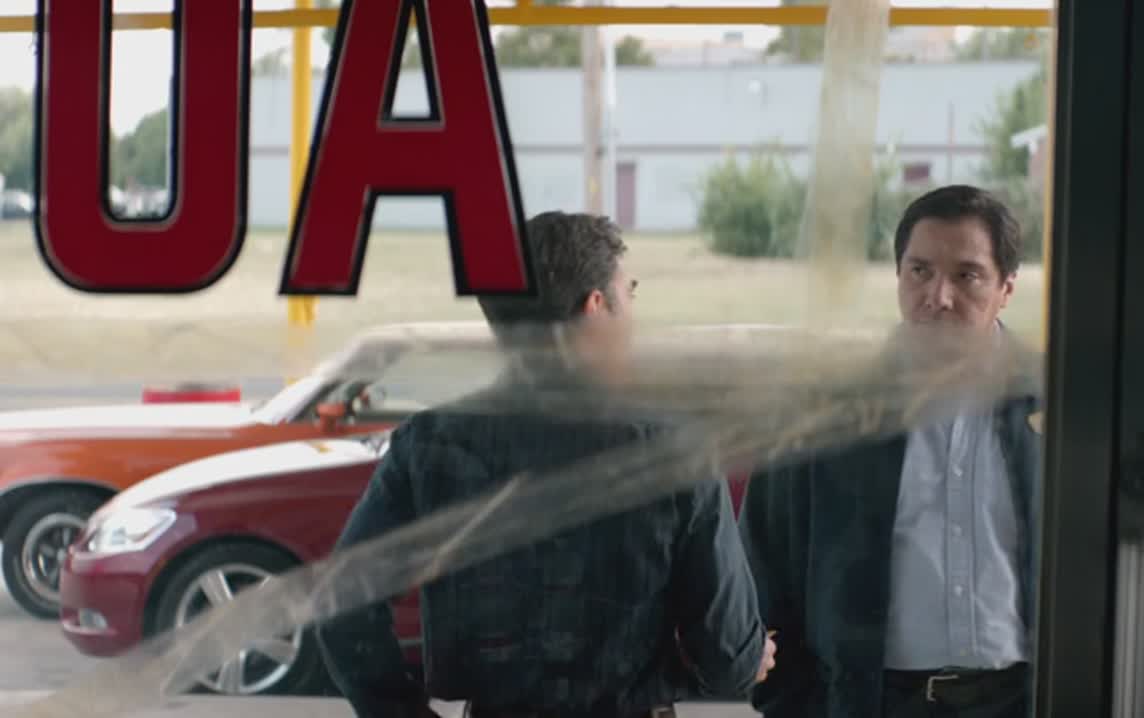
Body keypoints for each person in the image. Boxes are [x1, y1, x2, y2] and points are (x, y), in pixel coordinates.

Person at [317, 211, 774, 718]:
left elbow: (341, 606)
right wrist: (751, 656)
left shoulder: (427, 445)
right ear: (595, 308)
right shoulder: (676, 450)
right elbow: (727, 657)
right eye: (630, 293)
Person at [738, 185, 1042, 718]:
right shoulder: (823, 414)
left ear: (1006, 288)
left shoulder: (1060, 408)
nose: (938, 297)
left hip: (1022, 701)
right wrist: (791, 703)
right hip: (866, 703)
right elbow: (761, 576)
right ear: (898, 274)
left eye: (967, 276)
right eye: (920, 271)